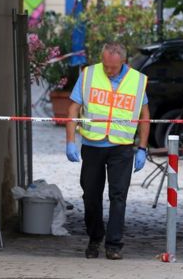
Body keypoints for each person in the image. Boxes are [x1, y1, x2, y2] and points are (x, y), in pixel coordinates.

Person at [65, 43, 150, 260]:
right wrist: (70, 141)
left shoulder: (137, 81)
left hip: (121, 147)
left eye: (112, 67)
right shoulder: (89, 74)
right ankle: (95, 238)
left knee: (118, 195)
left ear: (123, 62)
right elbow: (74, 108)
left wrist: (142, 147)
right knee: (91, 196)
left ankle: (114, 245)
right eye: (105, 65)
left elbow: (144, 115)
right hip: (93, 145)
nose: (108, 70)